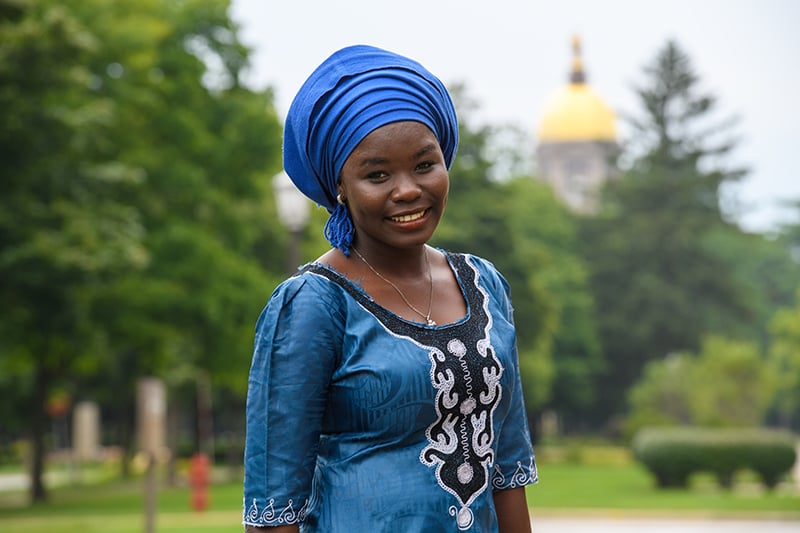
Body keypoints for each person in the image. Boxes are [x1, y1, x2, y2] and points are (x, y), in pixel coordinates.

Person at [243, 44, 538, 533]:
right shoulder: (313, 305)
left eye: (424, 165)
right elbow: (274, 507)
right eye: (377, 174)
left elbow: (508, 470)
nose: (406, 189)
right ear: (339, 185)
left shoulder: (485, 286)